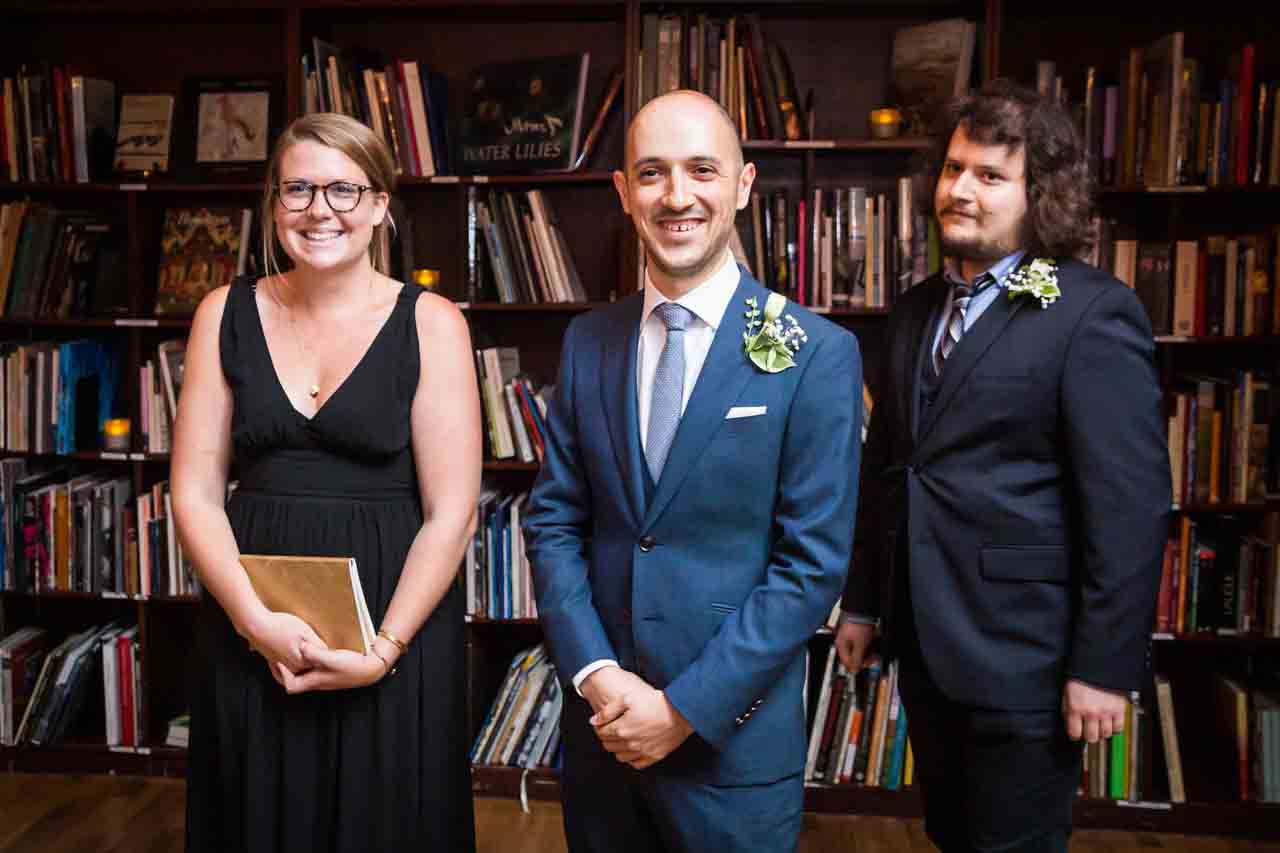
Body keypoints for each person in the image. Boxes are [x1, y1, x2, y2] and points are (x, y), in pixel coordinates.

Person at [522, 90, 863, 853]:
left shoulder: (816, 352)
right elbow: (554, 521)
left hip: (729, 757)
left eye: (702, 170)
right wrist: (594, 674)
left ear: (742, 184)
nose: (677, 196)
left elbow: (810, 566)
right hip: (603, 743)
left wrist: (681, 709)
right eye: (652, 173)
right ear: (623, 193)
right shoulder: (588, 342)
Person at [835, 79, 1171, 852]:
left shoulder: (1093, 312)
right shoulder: (915, 308)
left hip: (1028, 656)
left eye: (991, 176)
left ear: (1039, 195)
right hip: (924, 641)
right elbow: (887, 468)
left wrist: (1103, 663)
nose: (961, 190)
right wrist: (861, 603)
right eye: (954, 169)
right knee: (952, 835)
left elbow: (1130, 503)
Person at [172, 112, 480, 852]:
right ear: (273, 205)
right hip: (255, 627)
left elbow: (453, 512)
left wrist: (383, 648)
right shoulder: (224, 312)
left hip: (393, 628)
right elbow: (194, 493)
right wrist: (252, 620)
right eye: (299, 189)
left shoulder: (432, 322)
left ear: (380, 205)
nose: (320, 211)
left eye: (344, 189)